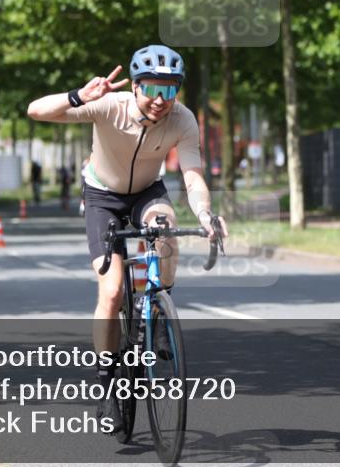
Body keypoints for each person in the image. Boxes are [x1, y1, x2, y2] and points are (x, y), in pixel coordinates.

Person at [26, 44, 228, 433]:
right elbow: (36, 111)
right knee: (113, 289)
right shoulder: (108, 106)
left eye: (169, 90)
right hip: (102, 196)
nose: (160, 99)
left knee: (166, 227)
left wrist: (205, 214)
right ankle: (106, 381)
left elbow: (192, 176)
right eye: (151, 88)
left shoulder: (183, 119)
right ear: (135, 86)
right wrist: (79, 96)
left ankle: (158, 309)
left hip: (147, 193)